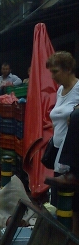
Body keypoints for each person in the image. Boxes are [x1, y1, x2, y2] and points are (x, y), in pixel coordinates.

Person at [44, 51, 79, 231]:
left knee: (73, 206)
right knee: (60, 203)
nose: (53, 76)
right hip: (58, 152)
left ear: (68, 69)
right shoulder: (60, 90)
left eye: (56, 71)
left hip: (72, 159)